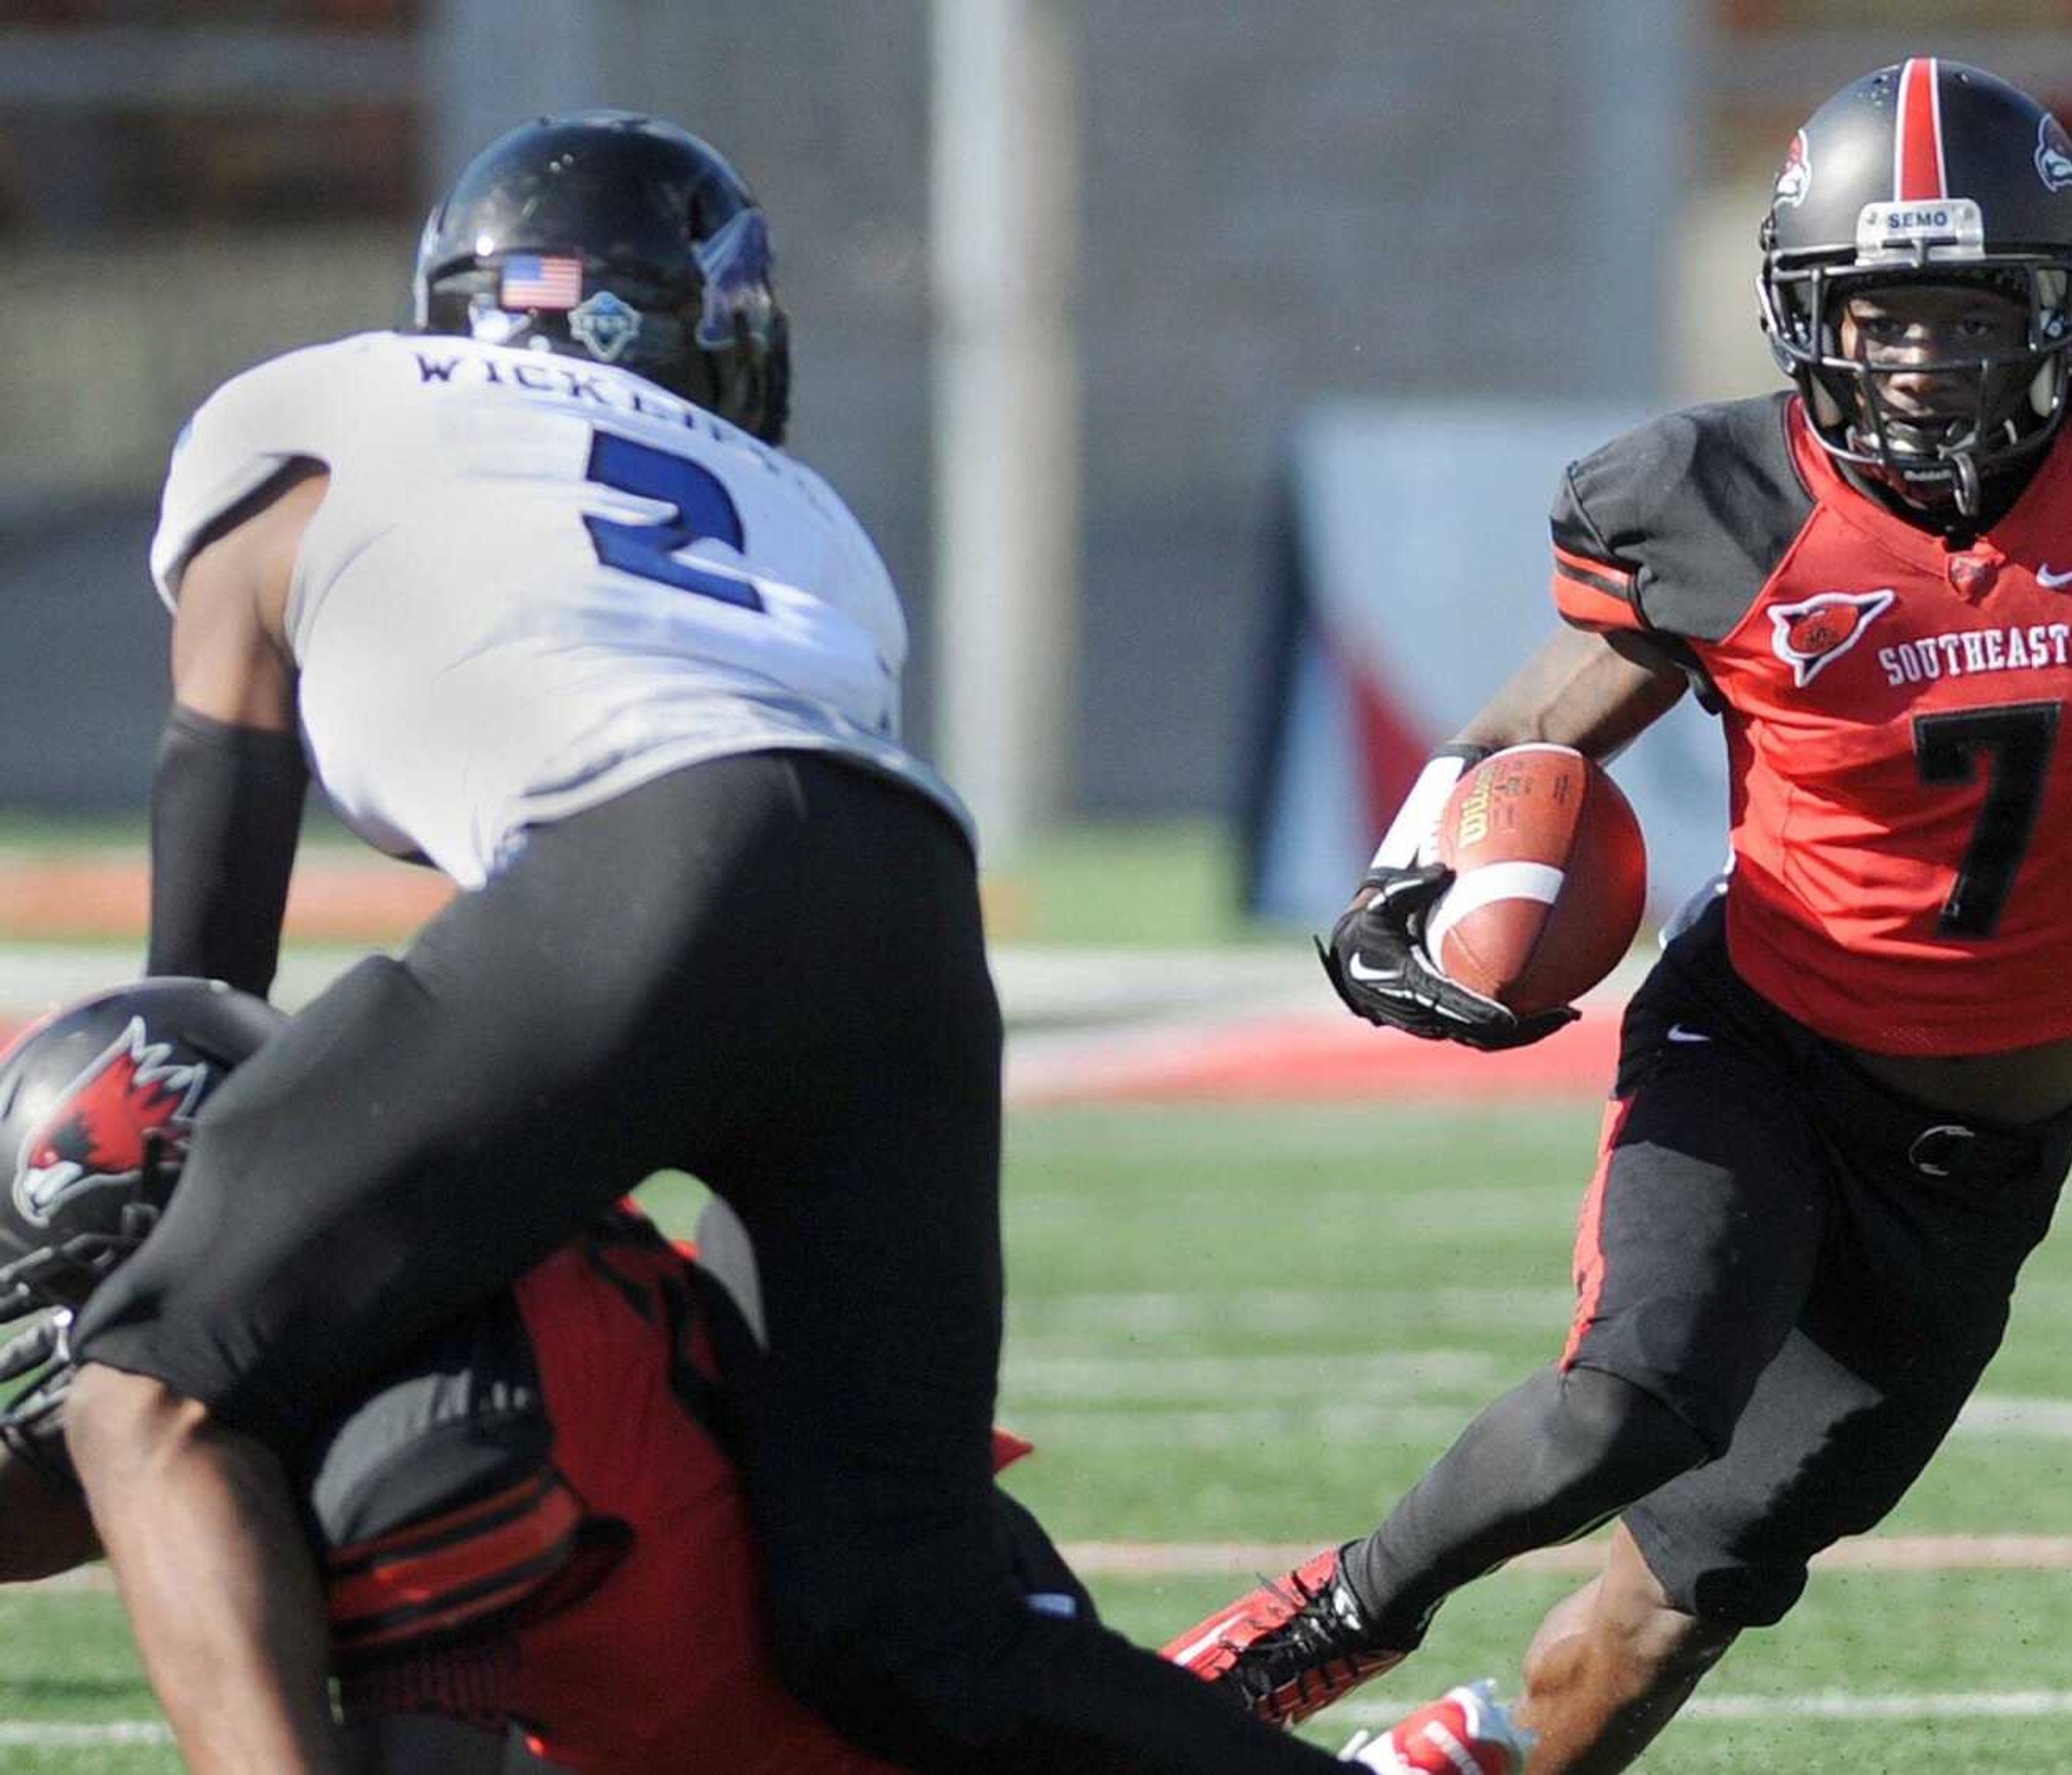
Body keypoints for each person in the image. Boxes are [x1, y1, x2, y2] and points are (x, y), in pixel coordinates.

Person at [55, 110, 1522, 1775]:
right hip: (898, 889)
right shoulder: (798, 510)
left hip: (647, 860)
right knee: (911, 1627)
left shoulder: (309, 410)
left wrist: (185, 1172)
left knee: (153, 1386)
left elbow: (205, 949)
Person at [1166, 57, 2072, 1774]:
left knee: (1678, 1605)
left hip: (1986, 1150)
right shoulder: (1715, 503)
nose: (1922, 355)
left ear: (2061, 304)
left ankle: (1440, 1761)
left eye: (1967, 309)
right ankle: (1305, 1633)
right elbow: (1519, 738)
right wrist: (1398, 899)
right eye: (1880, 312)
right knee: (1629, 1406)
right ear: (1804, 317)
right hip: (1761, 1040)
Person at [0, 977, 929, 1775]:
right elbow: (83, 1493)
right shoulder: (430, 1269)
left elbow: (428, 1749)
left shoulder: (430, 1431)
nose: (92, 1339)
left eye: (95, 1286)